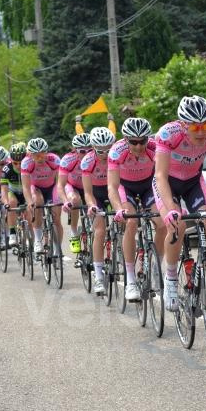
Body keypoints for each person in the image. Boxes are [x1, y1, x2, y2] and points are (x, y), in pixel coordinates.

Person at [153, 96, 206, 312]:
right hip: (168, 183)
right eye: (195, 126)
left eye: (205, 125)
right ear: (183, 124)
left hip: (194, 181)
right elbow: (160, 176)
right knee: (178, 225)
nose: (202, 131)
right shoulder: (168, 134)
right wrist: (170, 211)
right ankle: (171, 279)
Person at [107, 117, 167, 301]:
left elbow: (163, 175)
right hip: (126, 187)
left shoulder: (155, 147)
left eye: (143, 141)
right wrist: (118, 209)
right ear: (126, 140)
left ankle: (155, 265)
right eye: (133, 142)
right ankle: (131, 279)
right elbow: (112, 186)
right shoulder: (117, 151)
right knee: (131, 221)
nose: (139, 146)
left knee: (162, 223)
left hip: (149, 185)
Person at [82, 126, 117, 295]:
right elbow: (87, 192)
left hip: (113, 192)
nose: (105, 155)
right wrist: (91, 205)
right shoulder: (88, 161)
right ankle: (97, 276)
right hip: (96, 194)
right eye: (100, 151)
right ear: (93, 149)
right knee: (100, 230)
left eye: (108, 150)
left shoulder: (118, 156)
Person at [21, 137, 62, 255]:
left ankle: (57, 249)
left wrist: (62, 197)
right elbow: (26, 186)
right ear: (30, 154)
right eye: (36, 155)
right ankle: (38, 239)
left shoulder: (54, 160)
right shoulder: (26, 162)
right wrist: (29, 202)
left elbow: (60, 182)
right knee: (37, 202)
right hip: (36, 188)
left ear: (46, 152)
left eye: (42, 154)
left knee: (56, 219)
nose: (39, 158)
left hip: (52, 188)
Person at [59, 133, 92, 254]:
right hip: (73, 186)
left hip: (90, 187)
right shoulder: (68, 160)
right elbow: (60, 185)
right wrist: (65, 201)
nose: (86, 154)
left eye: (90, 151)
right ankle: (74, 233)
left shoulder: (96, 158)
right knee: (75, 200)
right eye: (82, 151)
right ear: (75, 150)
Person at [1, 142, 28, 247]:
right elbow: (3, 190)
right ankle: (12, 233)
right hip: (13, 192)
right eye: (15, 163)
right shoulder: (6, 169)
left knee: (29, 213)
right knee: (12, 203)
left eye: (21, 163)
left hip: (26, 192)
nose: (18, 166)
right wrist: (5, 203)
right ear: (10, 160)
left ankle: (30, 236)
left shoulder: (29, 166)